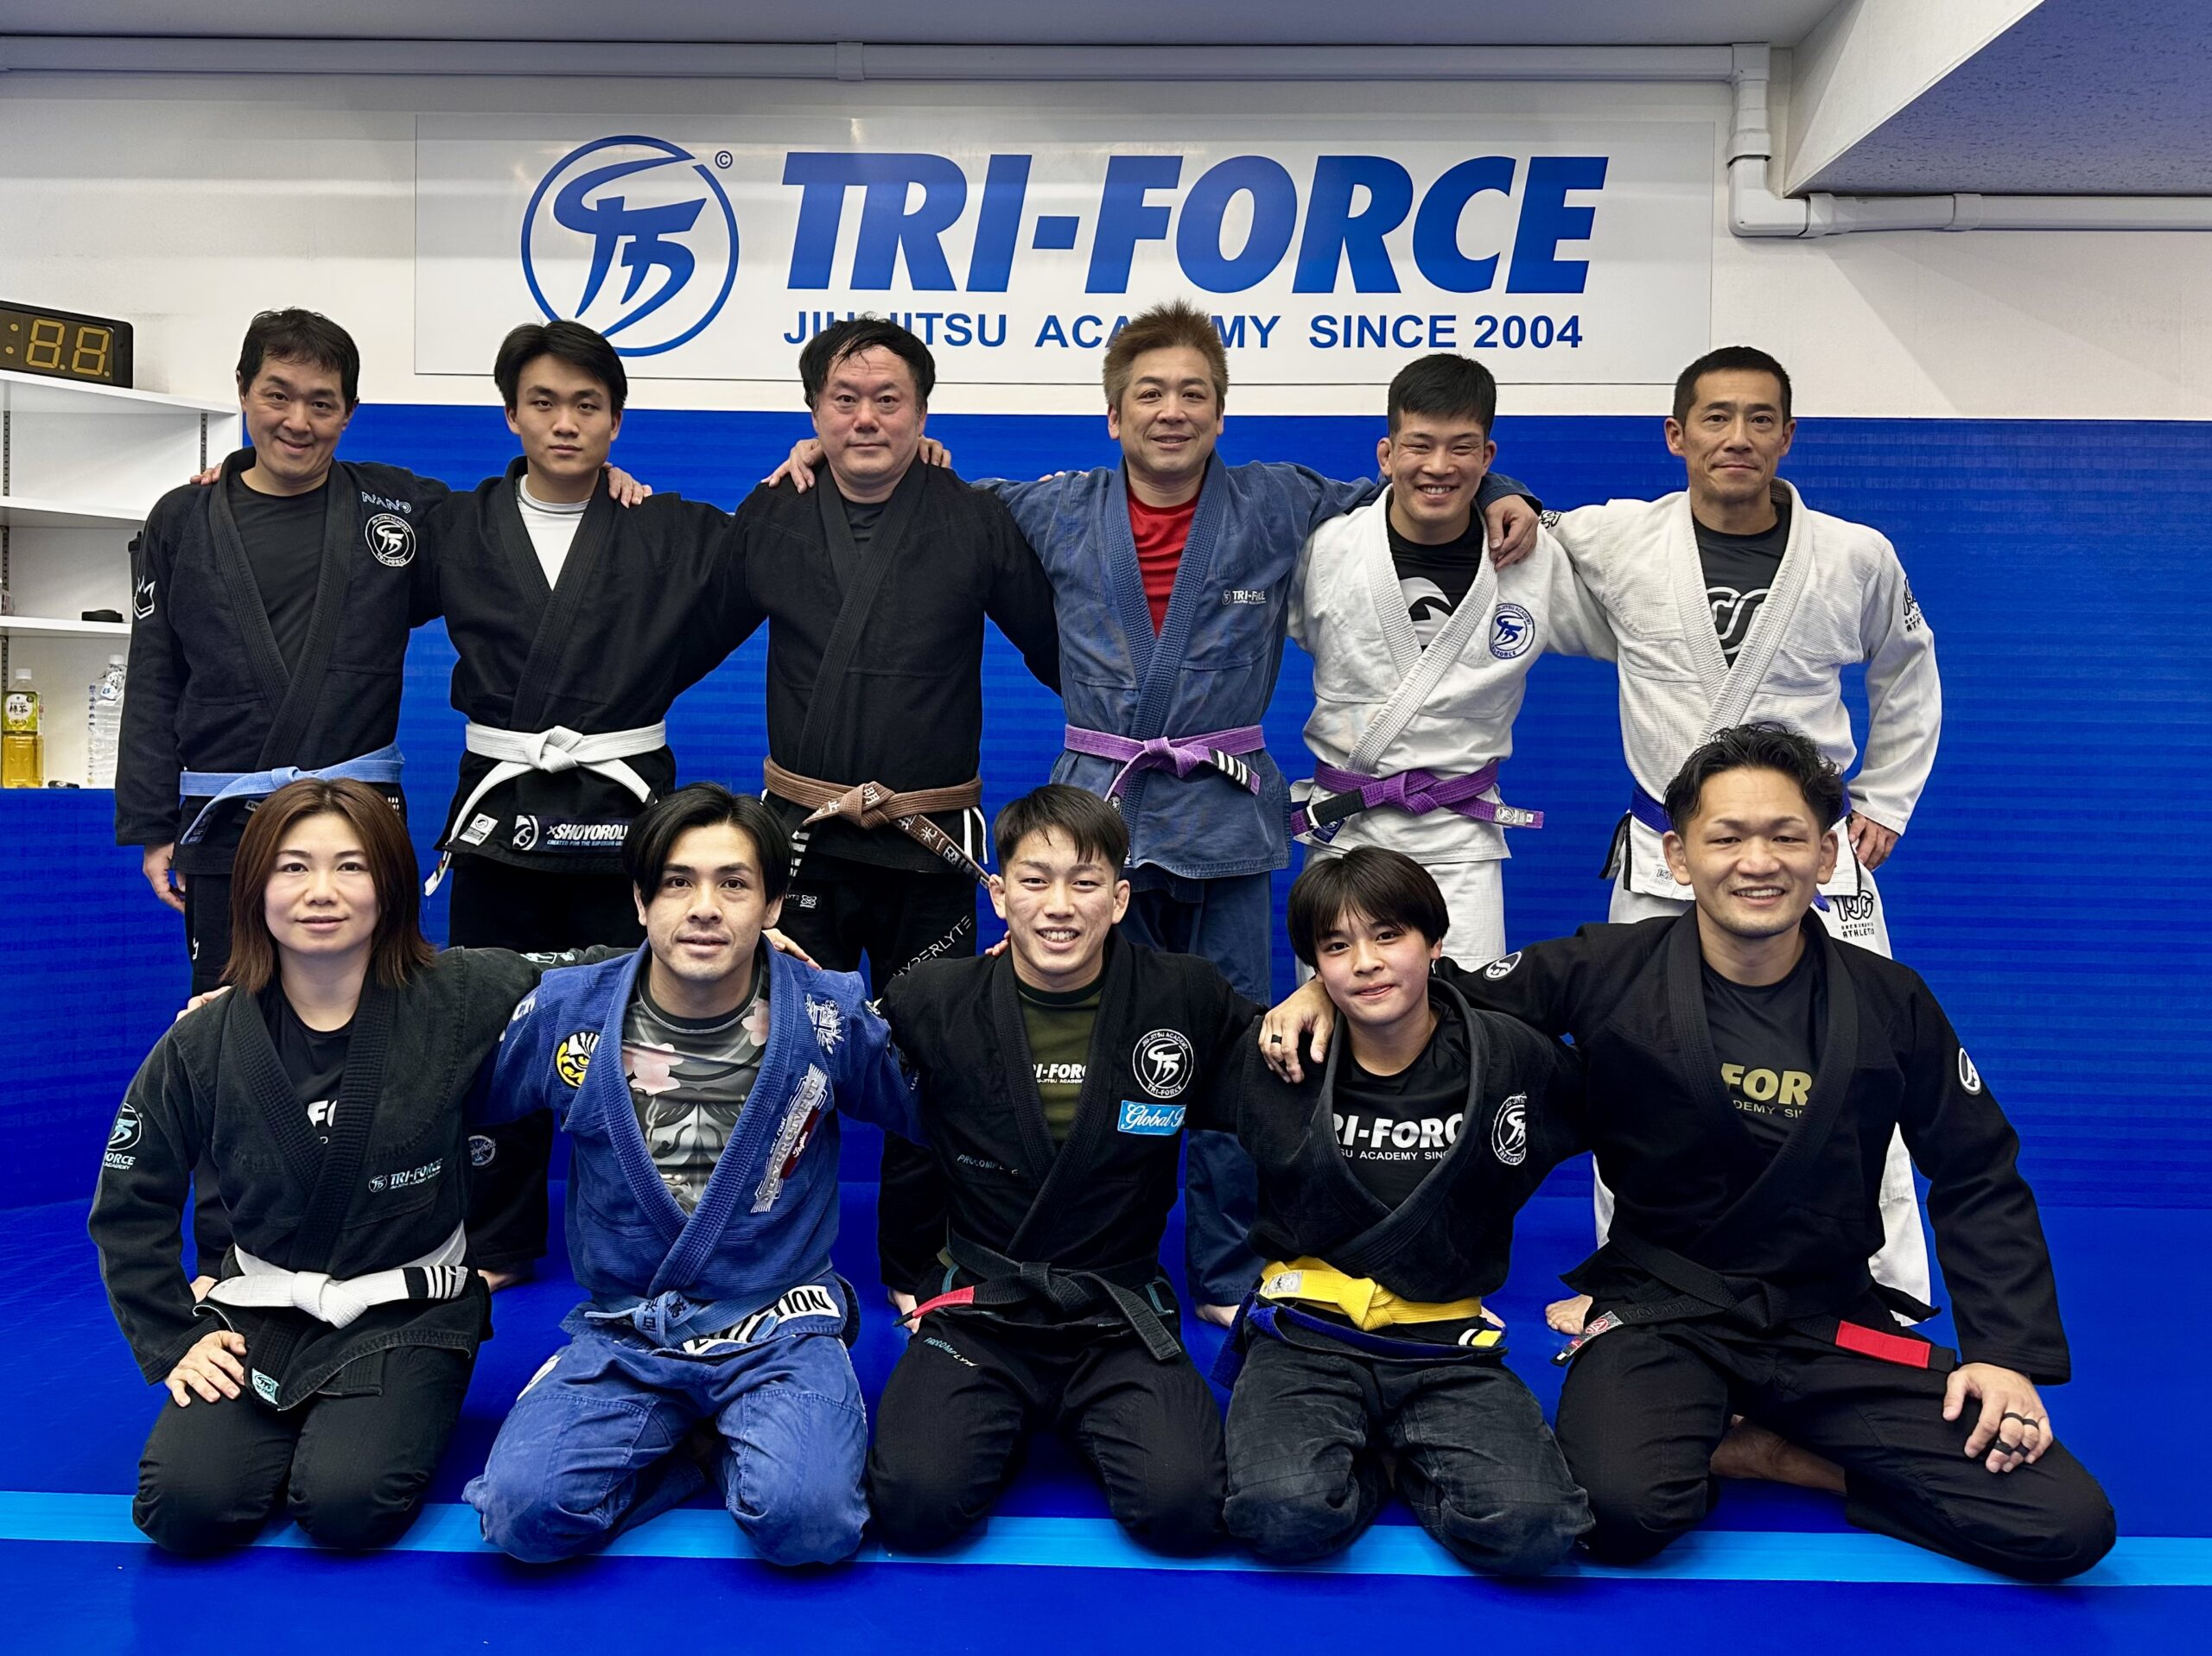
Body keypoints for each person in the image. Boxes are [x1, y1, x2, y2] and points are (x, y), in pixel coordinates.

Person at [778, 301, 1543, 1322]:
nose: (1171, 411)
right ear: (1113, 414)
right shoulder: (1050, 508)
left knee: (1245, 1046)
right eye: (1149, 393)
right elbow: (931, 498)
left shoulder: (1276, 501)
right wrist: (829, 454)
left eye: (1193, 394)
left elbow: (1408, 490)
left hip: (1224, 818)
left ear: (1220, 414)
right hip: (1099, 821)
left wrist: (1500, 486)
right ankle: (1078, 1248)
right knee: (1089, 1046)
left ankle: (1225, 1271)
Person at [1261, 725, 2116, 1583]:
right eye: (1726, 837)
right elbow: (1434, 994)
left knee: (2063, 1524)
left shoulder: (1890, 1001)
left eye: (1786, 837)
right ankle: (1762, 1446)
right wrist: (1322, 994)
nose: (1757, 862)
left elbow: (1977, 1171)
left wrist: (2003, 1355)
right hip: (1661, 1310)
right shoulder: (1608, 969)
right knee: (1616, 1511)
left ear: (1827, 856)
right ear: (1677, 856)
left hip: (1826, 1318)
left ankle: (1772, 1453)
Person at [1538, 345, 1942, 1332]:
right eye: (1715, 418)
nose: (1737, 438)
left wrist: (1886, 797)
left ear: (1788, 436)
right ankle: (1635, 1284)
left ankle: (1884, 1293)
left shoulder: (1853, 554)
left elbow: (1907, 664)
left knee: (1863, 1065)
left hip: (1804, 857)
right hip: (1664, 853)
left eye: (1760, 419)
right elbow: (1516, 526)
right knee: (1632, 1067)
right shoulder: (1617, 537)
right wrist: (1505, 495)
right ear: (1675, 436)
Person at [87, 777, 558, 1554]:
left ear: (390, 885)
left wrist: (740, 950)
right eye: (293, 866)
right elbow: (129, 1201)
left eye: (351, 866)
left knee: (347, 1504)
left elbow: (600, 973)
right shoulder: (205, 1039)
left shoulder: (460, 994)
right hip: (263, 1310)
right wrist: (172, 1337)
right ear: (255, 887)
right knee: (187, 1507)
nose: (321, 891)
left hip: (408, 1310)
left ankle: (399, 1401)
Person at [463, 785, 922, 1567]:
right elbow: (445, 1102)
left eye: (733, 883)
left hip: (778, 1326)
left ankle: (743, 1436)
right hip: (629, 1334)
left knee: (810, 1523)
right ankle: (695, 1451)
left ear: (772, 904)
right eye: (678, 881)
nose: (704, 907)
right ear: (641, 900)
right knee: (520, 1516)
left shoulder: (827, 1014)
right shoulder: (569, 1014)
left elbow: (941, 1114)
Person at [726, 316, 1062, 1309]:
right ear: (813, 411)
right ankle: (776, 1258)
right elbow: (674, 621)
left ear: (922, 412)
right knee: (789, 1053)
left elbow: (1062, 648)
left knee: (932, 1056)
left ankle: (919, 1267)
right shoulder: (774, 513)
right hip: (807, 842)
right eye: (845, 400)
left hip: (932, 846)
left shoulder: (972, 518)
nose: (866, 418)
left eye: (889, 400)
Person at [427, 320, 740, 1291]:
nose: (565, 422)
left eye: (587, 405)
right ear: (511, 414)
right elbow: (346, 523)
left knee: (646, 1022)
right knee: (493, 1021)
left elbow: (779, 542)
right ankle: (498, 1239)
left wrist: (809, 457)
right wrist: (235, 472)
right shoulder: (455, 526)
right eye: (544, 402)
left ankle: (644, 1223)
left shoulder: (666, 527)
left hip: (623, 811)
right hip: (500, 808)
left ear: (616, 421)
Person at [865, 785, 1255, 1554]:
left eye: (1085, 882)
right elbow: (888, 1116)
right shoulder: (933, 998)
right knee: (913, 1505)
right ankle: (1000, 1417)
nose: (1059, 905)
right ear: (999, 894)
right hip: (983, 1311)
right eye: (1035, 880)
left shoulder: (1184, 993)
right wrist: (906, 1267)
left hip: (1115, 1312)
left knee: (1184, 1509)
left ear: (1119, 899)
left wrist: (1313, 1003)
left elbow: (1281, 1084)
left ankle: (1067, 1416)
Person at [1217, 847, 1591, 1574]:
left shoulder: (1508, 1056)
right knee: (1280, 1513)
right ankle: (1376, 1466)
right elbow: (1147, 1026)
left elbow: (1635, 1120)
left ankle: (1400, 1468)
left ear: (1434, 940)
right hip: (1306, 1337)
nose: (1365, 962)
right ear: (1314, 966)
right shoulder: (1280, 1053)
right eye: (1336, 947)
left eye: (1388, 935)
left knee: (1537, 1529)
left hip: (1445, 1344)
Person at [116, 310, 444, 999]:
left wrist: (597, 482)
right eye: (277, 394)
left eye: (322, 403)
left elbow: (511, 531)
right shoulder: (183, 519)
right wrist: (153, 825)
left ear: (349, 412)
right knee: (227, 1014)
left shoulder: (396, 507)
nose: (298, 421)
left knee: (372, 1013)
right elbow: (153, 676)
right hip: (223, 822)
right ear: (243, 390)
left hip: (357, 828)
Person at [1287, 353, 1612, 964]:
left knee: (1467, 1011)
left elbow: (1643, 634)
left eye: (1461, 448)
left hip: (1460, 839)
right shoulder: (1327, 549)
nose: (1439, 466)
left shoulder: (1529, 558)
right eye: (1420, 445)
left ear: (1488, 458)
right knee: (1334, 1011)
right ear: (1386, 455)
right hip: (1347, 834)